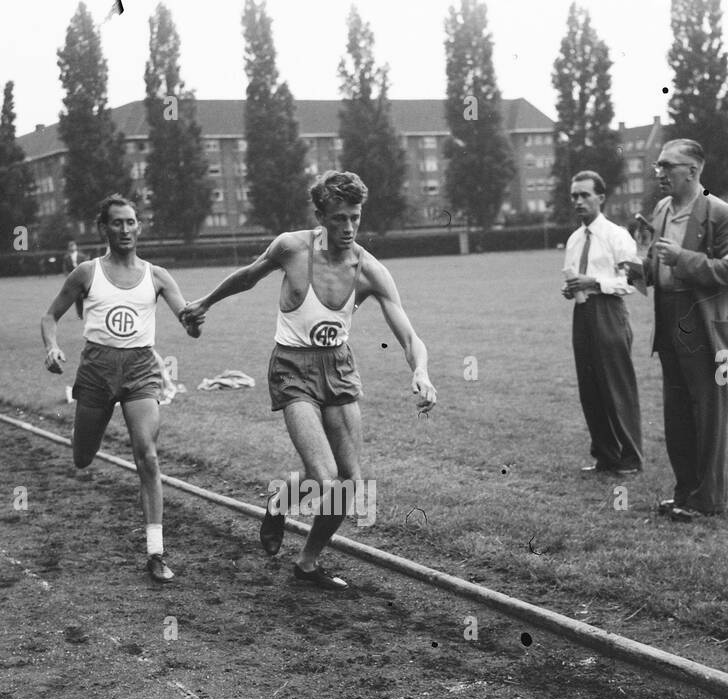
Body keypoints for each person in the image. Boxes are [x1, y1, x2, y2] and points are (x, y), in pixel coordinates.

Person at [182, 170, 437, 591]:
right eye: (338, 218)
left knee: (351, 483)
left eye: (355, 217)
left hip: (339, 369)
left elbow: (408, 336)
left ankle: (305, 560)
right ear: (321, 216)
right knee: (326, 478)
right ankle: (283, 509)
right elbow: (247, 277)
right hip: (292, 368)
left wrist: (421, 371)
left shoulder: (370, 270)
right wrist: (204, 302)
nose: (349, 227)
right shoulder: (291, 247)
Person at [40, 194, 202, 583]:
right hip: (96, 370)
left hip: (141, 370)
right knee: (82, 457)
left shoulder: (158, 276)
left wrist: (194, 321)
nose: (125, 230)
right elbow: (50, 316)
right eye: (117, 223)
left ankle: (156, 553)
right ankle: (84, 429)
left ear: (139, 227)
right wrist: (52, 346)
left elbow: (188, 321)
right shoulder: (86, 273)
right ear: (104, 228)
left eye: (131, 222)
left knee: (146, 454)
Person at [637, 138, 728, 522]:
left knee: (707, 413)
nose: (660, 173)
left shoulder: (723, 214)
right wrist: (635, 268)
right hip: (668, 316)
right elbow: (655, 268)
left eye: (668, 166)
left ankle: (708, 499)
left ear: (693, 171)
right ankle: (684, 492)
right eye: (658, 166)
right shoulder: (662, 209)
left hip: (701, 323)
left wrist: (683, 259)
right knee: (677, 412)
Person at [561, 170, 643, 477]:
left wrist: (594, 281)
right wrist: (571, 289)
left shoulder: (616, 235)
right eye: (574, 196)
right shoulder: (574, 239)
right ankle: (605, 455)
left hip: (609, 312)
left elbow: (632, 282)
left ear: (601, 198)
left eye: (585, 195)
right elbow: (573, 276)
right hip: (582, 315)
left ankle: (631, 457)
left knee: (616, 385)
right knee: (590, 387)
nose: (579, 201)